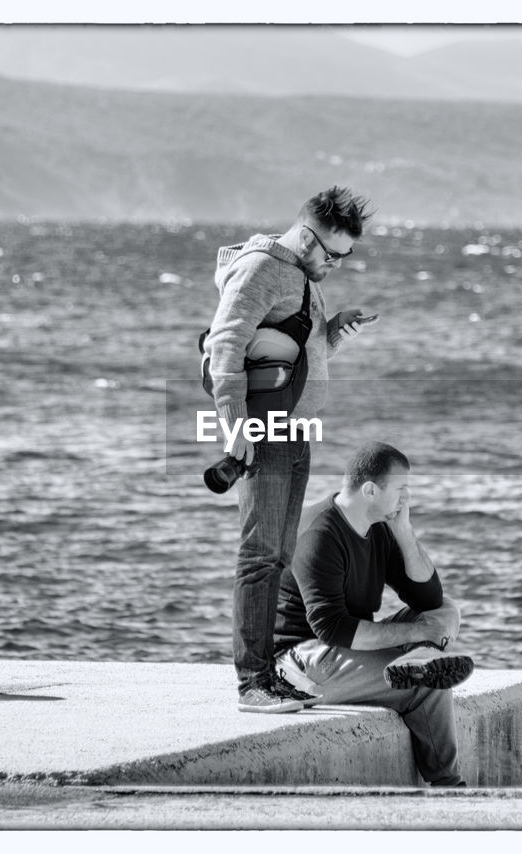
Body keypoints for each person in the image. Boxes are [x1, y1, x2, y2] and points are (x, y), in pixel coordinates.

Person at [203, 186, 377, 713]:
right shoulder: (264, 269)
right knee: (260, 558)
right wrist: (234, 426)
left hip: (293, 430)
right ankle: (252, 683)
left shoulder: (299, 274)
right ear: (306, 236)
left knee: (279, 558)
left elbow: (298, 347)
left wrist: (335, 331)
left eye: (345, 256)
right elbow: (225, 345)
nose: (337, 264)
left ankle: (269, 675)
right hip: (264, 431)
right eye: (332, 253)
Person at [274, 442, 474, 787]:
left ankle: (418, 658)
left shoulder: (379, 528)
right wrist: (414, 634)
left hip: (345, 647)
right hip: (301, 660)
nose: (405, 498)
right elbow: (331, 628)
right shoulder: (319, 535)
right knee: (425, 685)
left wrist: (404, 532)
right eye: (400, 490)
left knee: (446, 609)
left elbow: (429, 598)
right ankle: (449, 788)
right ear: (370, 490)